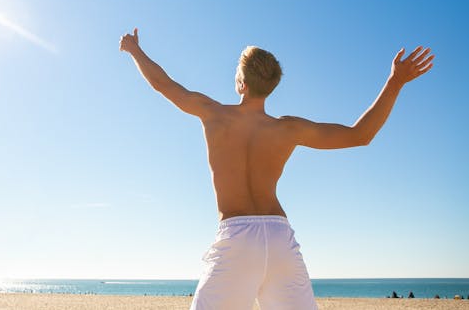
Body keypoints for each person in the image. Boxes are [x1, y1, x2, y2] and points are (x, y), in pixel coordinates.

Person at [119, 28, 433, 310]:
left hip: (237, 237)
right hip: (280, 238)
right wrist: (395, 82)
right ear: (271, 87)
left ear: (241, 84)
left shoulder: (213, 114)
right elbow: (360, 135)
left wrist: (134, 50)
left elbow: (162, 84)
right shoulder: (288, 129)